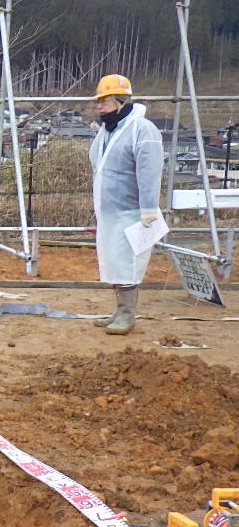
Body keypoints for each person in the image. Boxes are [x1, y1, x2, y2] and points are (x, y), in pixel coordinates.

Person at [88, 73, 164, 335]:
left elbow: (149, 171)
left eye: (104, 101)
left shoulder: (142, 130)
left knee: (128, 263)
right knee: (114, 262)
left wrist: (149, 209)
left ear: (120, 101)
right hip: (110, 211)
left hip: (131, 212)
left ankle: (128, 314)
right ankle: (119, 310)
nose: (99, 106)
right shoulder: (109, 130)